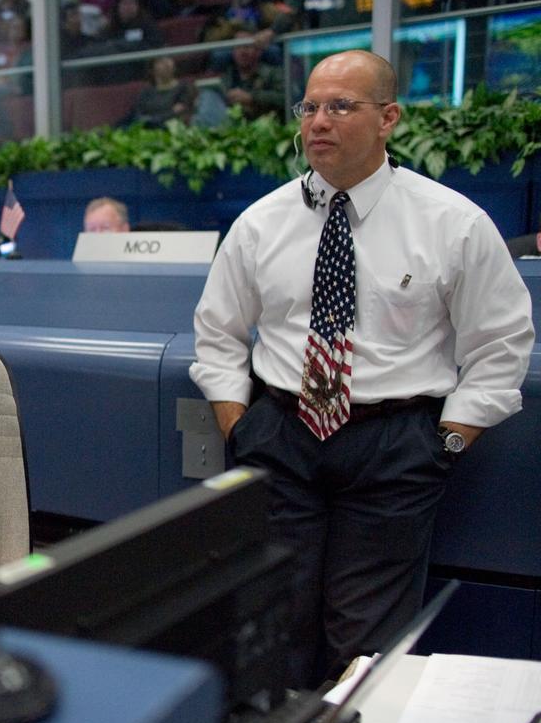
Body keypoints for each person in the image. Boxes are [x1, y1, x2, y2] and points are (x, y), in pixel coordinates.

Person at [190, 50, 534, 686]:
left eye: (341, 106)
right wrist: (241, 427)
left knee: (365, 646)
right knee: (274, 622)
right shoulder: (261, 223)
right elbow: (218, 334)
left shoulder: (452, 223)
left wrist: (447, 442)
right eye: (310, 106)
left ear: (388, 118)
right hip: (281, 438)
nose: (319, 121)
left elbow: (501, 343)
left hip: (395, 448)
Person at [221, 42, 285, 120]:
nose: (242, 52)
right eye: (238, 47)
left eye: (247, 47)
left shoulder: (273, 73)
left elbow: (284, 99)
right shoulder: (227, 75)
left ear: (259, 51)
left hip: (270, 122)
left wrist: (251, 98)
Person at [132, 55, 195, 127]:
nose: (166, 63)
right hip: (148, 129)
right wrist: (167, 114)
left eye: (168, 58)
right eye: (160, 61)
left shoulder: (184, 88)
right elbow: (139, 117)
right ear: (152, 70)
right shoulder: (146, 92)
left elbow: (178, 112)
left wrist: (153, 119)